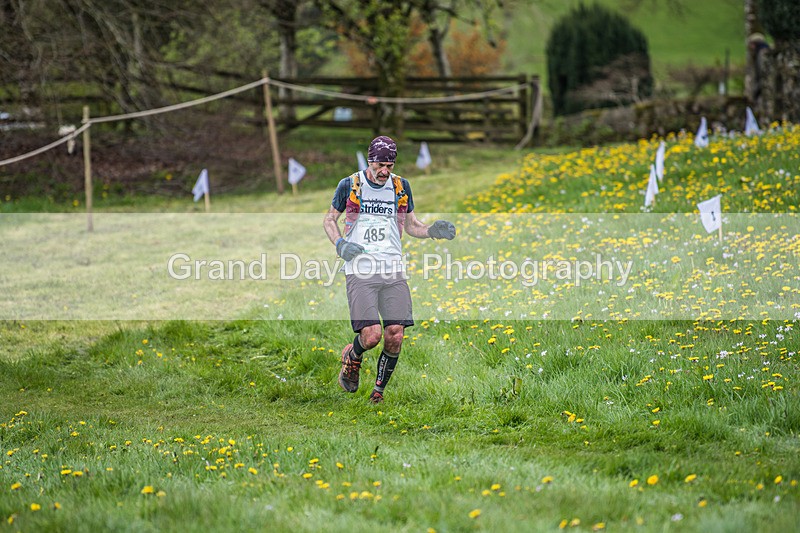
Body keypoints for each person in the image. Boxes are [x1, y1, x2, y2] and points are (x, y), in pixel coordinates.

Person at [323, 135, 456, 403]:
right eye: (380, 165)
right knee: (371, 336)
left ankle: (377, 394)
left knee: (395, 334)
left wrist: (432, 231)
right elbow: (329, 220)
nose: (385, 171)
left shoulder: (401, 187)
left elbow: (411, 226)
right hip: (360, 269)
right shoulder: (350, 185)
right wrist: (340, 245)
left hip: (393, 269)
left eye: (390, 165)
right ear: (370, 161)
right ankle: (353, 355)